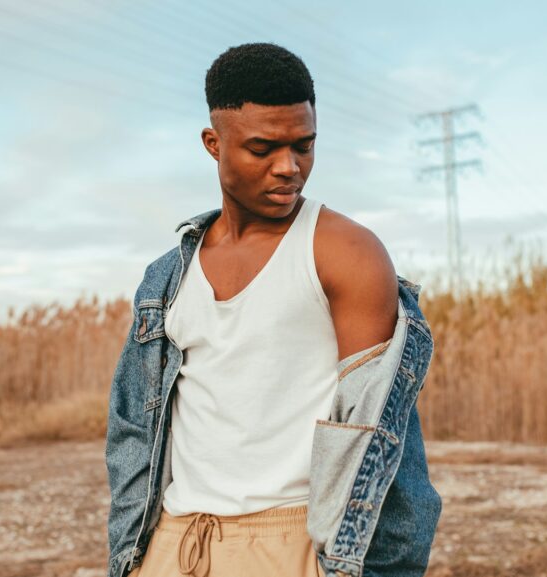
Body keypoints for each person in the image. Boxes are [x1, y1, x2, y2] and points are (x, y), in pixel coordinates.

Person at [107, 42, 441, 577]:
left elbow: (388, 449)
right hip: (175, 540)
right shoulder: (166, 278)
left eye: (303, 146)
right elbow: (131, 431)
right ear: (214, 144)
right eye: (263, 149)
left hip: (291, 542)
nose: (289, 168)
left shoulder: (344, 253)